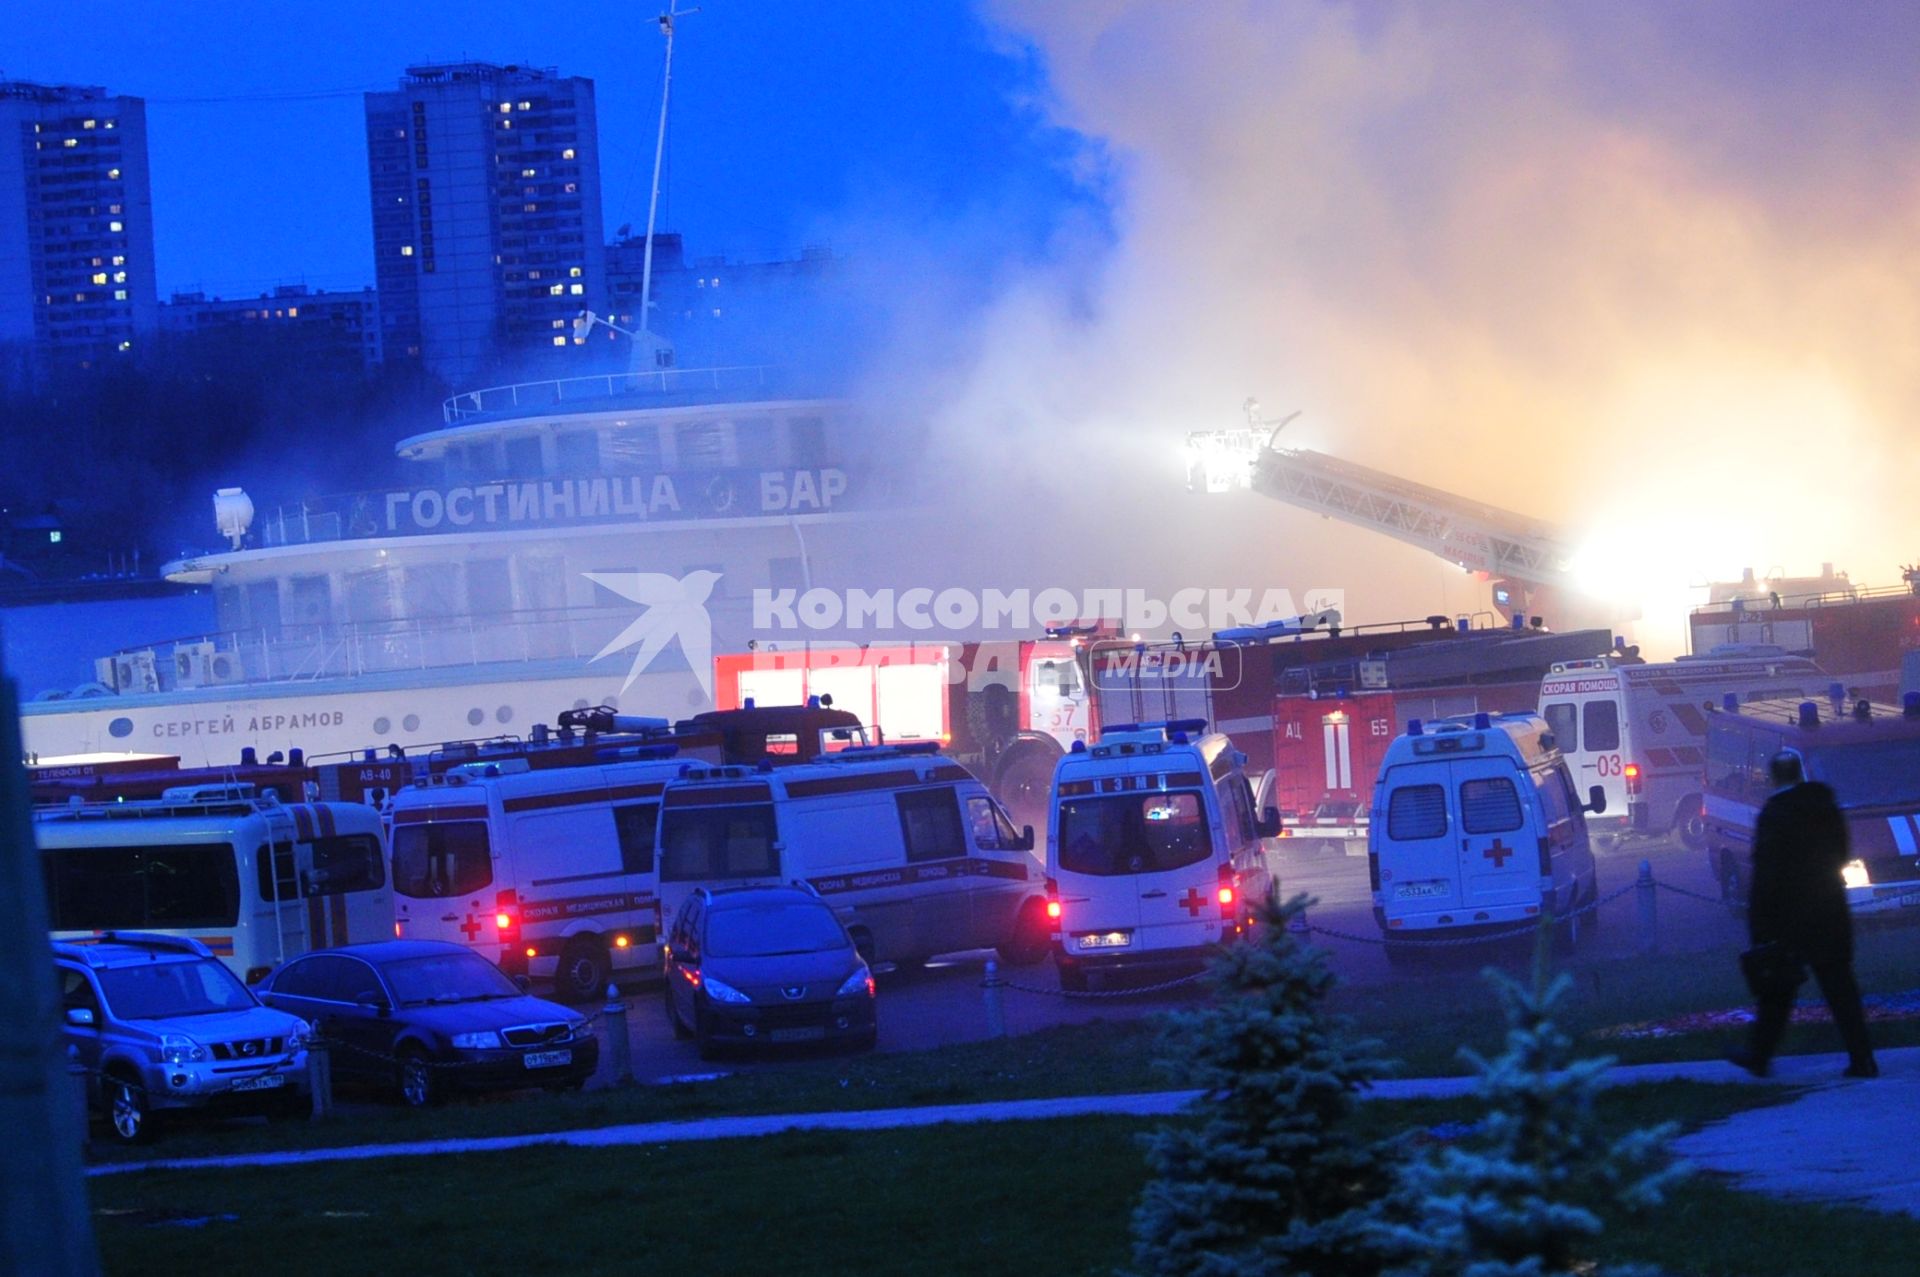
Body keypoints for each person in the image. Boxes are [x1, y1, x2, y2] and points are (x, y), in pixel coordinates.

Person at [1730, 751, 1878, 1079]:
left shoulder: (1774, 814)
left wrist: (1760, 925)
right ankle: (1862, 1058)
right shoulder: (1826, 806)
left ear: (1773, 778)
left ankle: (1759, 1055)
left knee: (1778, 990)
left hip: (1790, 917)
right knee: (1841, 990)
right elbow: (1841, 853)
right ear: (1800, 773)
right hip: (1830, 909)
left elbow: (1767, 875)